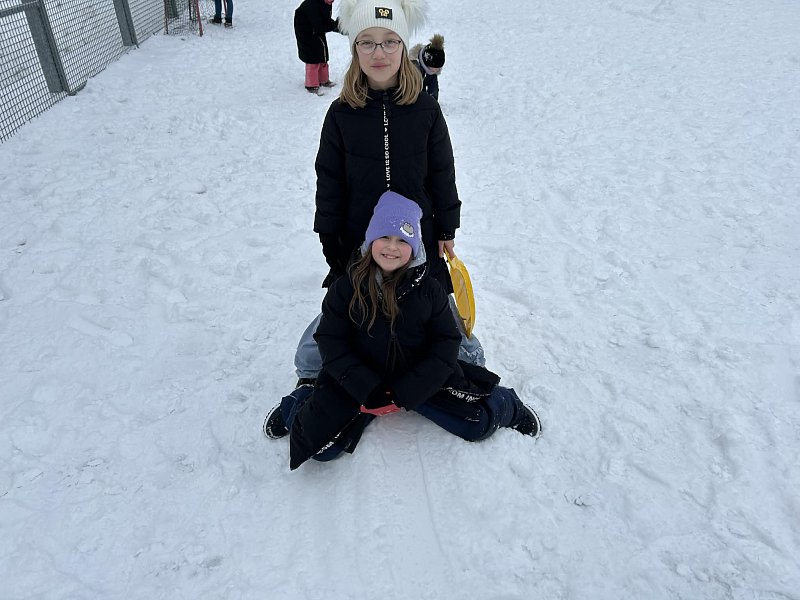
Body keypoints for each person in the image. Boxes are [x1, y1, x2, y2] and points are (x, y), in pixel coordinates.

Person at [265, 192, 541, 470]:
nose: (392, 247)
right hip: (360, 381)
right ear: (370, 240)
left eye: (402, 240)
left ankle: (509, 405)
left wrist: (408, 391)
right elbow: (330, 340)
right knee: (320, 447)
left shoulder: (430, 290)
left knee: (476, 424)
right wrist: (366, 388)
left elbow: (446, 341)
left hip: (416, 379)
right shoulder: (346, 288)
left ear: (415, 246)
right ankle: (297, 403)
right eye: (384, 237)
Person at [294, 0, 484, 385]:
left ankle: (463, 372)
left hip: (418, 241)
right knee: (331, 331)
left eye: (389, 41)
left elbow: (442, 173)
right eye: (367, 42)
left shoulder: (426, 110)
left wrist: (446, 228)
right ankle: (316, 377)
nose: (378, 52)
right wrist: (331, 240)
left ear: (403, 46)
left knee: (451, 330)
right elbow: (329, 181)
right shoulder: (341, 114)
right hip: (360, 243)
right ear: (354, 48)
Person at [294, 0, 339, 94]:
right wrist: (334, 26)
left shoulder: (326, 3)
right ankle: (311, 85)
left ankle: (323, 80)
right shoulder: (312, 6)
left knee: (323, 54)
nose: (332, 1)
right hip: (306, 32)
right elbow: (319, 25)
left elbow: (326, 20)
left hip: (316, 30)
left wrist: (337, 26)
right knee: (312, 59)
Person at [410, 33, 445, 100]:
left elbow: (433, 86)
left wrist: (433, 98)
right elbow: (415, 88)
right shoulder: (413, 67)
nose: (435, 71)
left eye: (438, 69)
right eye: (434, 69)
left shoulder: (432, 71)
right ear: (427, 63)